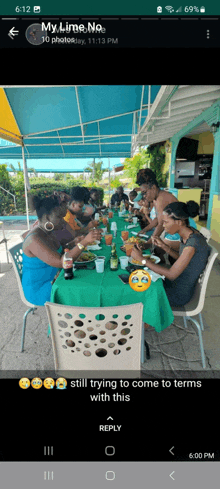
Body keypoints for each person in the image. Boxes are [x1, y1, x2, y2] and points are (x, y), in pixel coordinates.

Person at [22, 194, 102, 306]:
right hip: (41, 288)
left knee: (90, 281)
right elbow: (61, 262)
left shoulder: (49, 231)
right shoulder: (34, 239)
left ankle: (83, 319)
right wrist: (84, 242)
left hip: (57, 277)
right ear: (46, 217)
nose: (64, 222)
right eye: (60, 217)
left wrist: (74, 243)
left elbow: (61, 250)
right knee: (83, 290)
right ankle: (79, 321)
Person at [131, 200, 210, 308]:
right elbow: (182, 260)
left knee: (138, 291)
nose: (163, 225)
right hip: (176, 283)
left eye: (166, 222)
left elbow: (172, 275)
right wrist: (164, 246)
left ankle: (145, 322)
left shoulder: (193, 243)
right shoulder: (189, 233)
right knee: (138, 281)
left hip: (178, 293)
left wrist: (142, 260)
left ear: (179, 222)